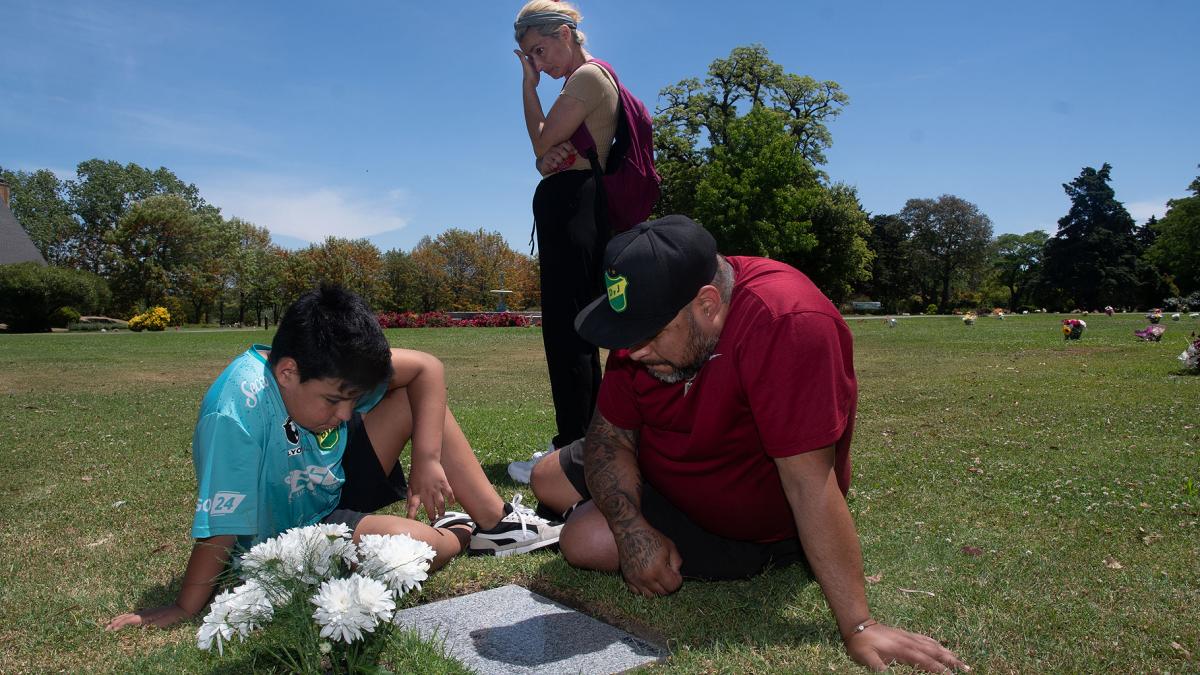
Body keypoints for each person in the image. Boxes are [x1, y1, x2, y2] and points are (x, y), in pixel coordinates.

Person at [530, 216, 968, 672]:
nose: (633, 351)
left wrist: (858, 625)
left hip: (745, 518)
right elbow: (610, 434)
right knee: (546, 477)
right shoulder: (657, 319)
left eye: (650, 333)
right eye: (628, 332)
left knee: (582, 538)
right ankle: (624, 513)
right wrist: (632, 529)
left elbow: (808, 485)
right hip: (667, 459)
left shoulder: (788, 321)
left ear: (708, 304)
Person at [107, 285, 561, 631]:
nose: (346, 414)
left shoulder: (325, 371)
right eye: (334, 400)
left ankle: (495, 522)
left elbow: (428, 368)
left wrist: (427, 459)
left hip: (330, 475)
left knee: (411, 403)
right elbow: (225, 520)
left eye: (354, 399)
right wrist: (187, 606)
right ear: (287, 372)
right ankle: (459, 531)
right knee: (416, 555)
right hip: (299, 530)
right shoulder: (236, 412)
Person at [513, 0, 618, 453]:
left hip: (575, 207)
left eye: (539, 51)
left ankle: (574, 446)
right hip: (574, 204)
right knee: (575, 328)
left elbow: (541, 139)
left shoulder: (587, 78)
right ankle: (586, 441)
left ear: (563, 34)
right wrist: (545, 159)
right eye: (529, 58)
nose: (538, 63)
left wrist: (528, 86)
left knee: (567, 332)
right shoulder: (583, 82)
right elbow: (544, 156)